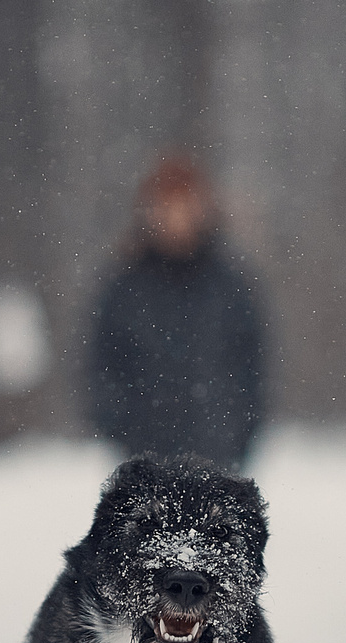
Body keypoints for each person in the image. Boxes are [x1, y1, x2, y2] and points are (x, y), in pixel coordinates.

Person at [87, 155, 266, 471]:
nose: (176, 217)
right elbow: (101, 364)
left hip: (217, 461)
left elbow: (253, 365)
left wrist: (239, 433)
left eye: (184, 205)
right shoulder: (125, 285)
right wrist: (120, 427)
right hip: (143, 462)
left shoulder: (230, 285)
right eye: (167, 206)